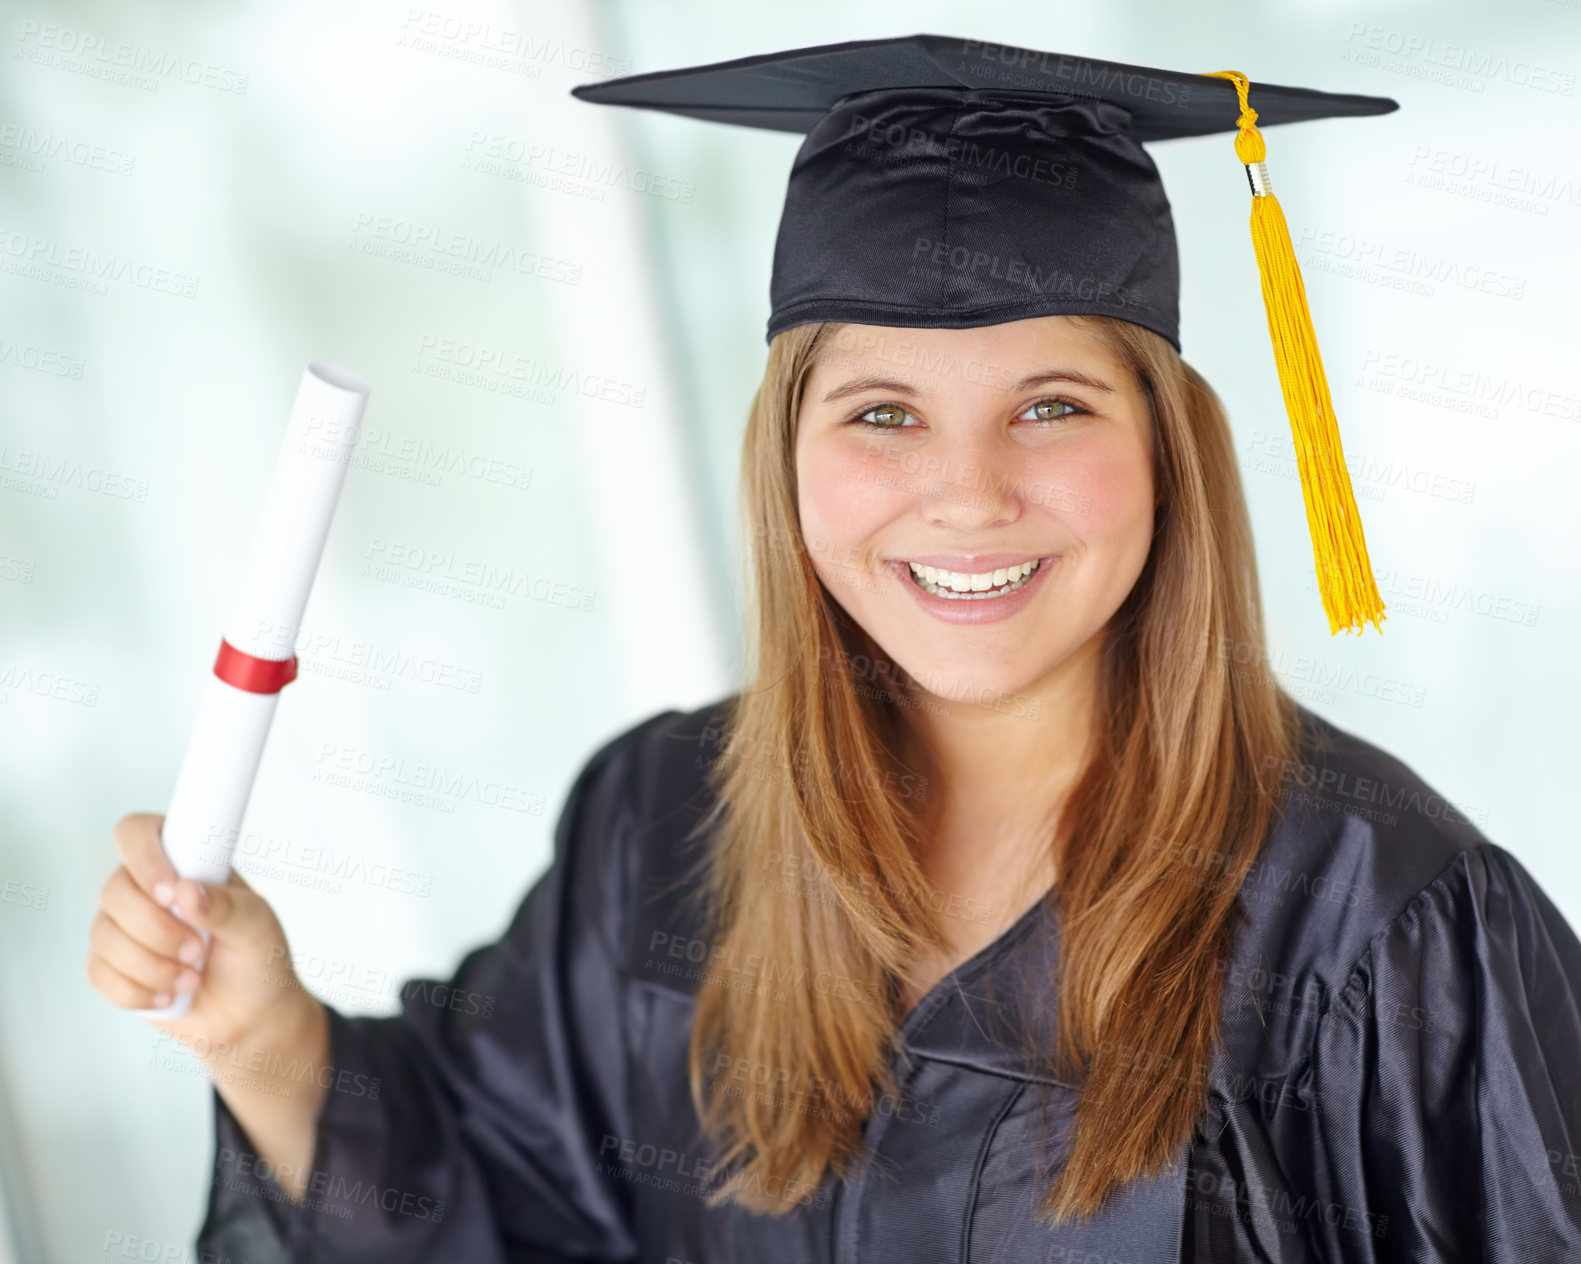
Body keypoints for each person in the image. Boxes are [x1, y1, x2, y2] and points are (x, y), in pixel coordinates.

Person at [87, 36, 1581, 1262]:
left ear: (1170, 451)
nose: (967, 492)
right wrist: (261, 1030)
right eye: (880, 413)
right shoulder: (664, 827)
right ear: (784, 458)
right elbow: (486, 1196)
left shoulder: (1386, 923)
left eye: (1052, 404)